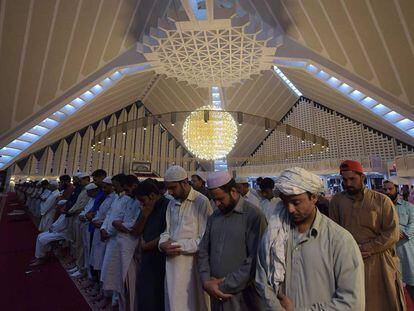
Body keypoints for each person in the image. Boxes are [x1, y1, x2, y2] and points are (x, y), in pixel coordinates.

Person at [256, 167, 365, 310]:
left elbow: (352, 303)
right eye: (285, 202)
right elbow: (262, 281)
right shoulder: (274, 235)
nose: (290, 209)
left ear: (314, 197)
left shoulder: (340, 240)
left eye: (296, 202)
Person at [330, 160, 406, 311]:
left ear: (363, 177)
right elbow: (333, 231)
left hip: (380, 261)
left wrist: (367, 248)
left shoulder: (381, 200)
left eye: (352, 179)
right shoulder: (337, 201)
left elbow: (392, 233)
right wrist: (350, 250)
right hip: (349, 261)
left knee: (383, 302)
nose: (348, 183)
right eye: (344, 180)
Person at [198, 171, 267, 311]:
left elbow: (256, 260)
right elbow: (203, 250)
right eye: (214, 200)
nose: (217, 204)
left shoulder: (254, 216)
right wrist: (206, 281)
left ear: (234, 191)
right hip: (215, 293)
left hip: (243, 296)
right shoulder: (214, 217)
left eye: (220, 199)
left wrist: (224, 285)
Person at [158, 165, 212, 311]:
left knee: (193, 303)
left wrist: (178, 246)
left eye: (173, 188)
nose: (170, 192)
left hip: (192, 264)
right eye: (168, 188)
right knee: (174, 302)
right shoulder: (171, 203)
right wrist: (162, 244)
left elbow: (205, 238)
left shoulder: (202, 201)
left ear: (184, 183)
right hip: (172, 263)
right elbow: (166, 232)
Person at [132, 179, 170, 311]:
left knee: (157, 295)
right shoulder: (146, 208)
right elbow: (136, 231)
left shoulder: (168, 206)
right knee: (144, 292)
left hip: (161, 258)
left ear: (153, 195)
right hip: (147, 258)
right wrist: (144, 215)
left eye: (143, 200)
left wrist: (145, 246)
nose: (142, 204)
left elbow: (169, 234)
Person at [100, 174, 132, 309]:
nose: (114, 187)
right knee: (107, 270)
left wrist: (109, 232)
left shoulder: (127, 200)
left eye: (115, 185)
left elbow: (121, 219)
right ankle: (106, 296)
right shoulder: (117, 199)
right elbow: (109, 215)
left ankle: (114, 302)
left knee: (116, 274)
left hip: (117, 239)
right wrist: (103, 228)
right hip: (109, 238)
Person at [383, 179, 414, 301]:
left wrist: (399, 233)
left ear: (397, 189)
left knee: (412, 282)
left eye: (390, 189)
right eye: (385, 189)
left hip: (407, 249)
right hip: (390, 251)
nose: (387, 191)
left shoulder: (408, 207)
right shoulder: (381, 209)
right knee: (394, 286)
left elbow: (413, 224)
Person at [30, 200, 71, 266]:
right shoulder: (62, 214)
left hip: (62, 233)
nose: (58, 207)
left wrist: (52, 228)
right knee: (40, 236)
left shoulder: (66, 215)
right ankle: (39, 257)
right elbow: (57, 223)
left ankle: (41, 258)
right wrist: (52, 228)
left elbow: (61, 226)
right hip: (56, 231)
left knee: (42, 239)